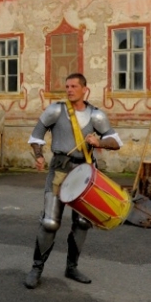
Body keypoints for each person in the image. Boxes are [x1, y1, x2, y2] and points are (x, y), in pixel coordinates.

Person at [25, 73, 122, 289]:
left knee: (82, 222)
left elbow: (115, 141)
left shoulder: (96, 115)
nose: (69, 90)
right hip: (60, 169)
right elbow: (36, 135)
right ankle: (36, 268)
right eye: (67, 86)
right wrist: (38, 155)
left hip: (85, 172)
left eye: (74, 86)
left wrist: (99, 142)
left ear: (84, 89)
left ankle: (72, 267)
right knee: (50, 222)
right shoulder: (56, 110)